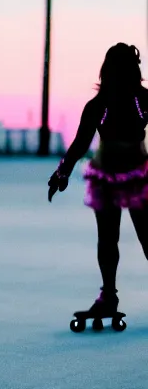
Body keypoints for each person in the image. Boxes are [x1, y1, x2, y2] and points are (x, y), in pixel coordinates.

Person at [48, 43, 148, 315]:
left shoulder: (140, 100)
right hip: (108, 176)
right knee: (110, 239)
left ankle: (108, 296)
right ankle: (108, 296)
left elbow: (80, 144)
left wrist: (63, 171)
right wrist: (62, 171)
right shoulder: (102, 104)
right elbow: (80, 144)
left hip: (136, 176)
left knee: (137, 238)